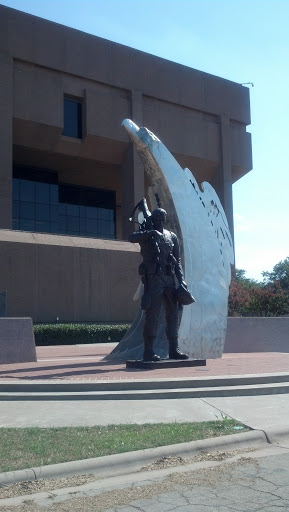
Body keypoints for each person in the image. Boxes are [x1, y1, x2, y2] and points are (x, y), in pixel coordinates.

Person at [128, 207, 190, 362]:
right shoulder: (147, 234)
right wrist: (149, 233)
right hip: (154, 279)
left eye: (162, 219)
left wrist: (181, 280)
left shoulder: (172, 236)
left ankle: (173, 349)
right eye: (157, 219)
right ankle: (148, 351)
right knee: (152, 315)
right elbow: (131, 237)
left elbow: (178, 262)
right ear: (153, 219)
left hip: (169, 279)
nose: (159, 222)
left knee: (173, 316)